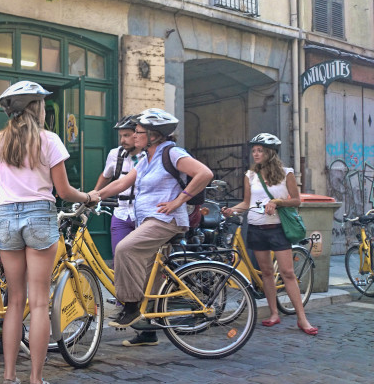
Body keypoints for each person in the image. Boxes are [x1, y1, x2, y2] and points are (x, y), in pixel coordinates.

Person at [0, 81, 100, 384]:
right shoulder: (49, 140)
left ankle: (8, 379)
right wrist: (88, 195)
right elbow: (63, 192)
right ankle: (36, 381)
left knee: (14, 302)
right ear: (37, 108)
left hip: (6, 216)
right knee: (38, 303)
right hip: (39, 215)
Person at [95, 108, 213, 329]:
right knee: (150, 275)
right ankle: (149, 325)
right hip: (149, 220)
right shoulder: (147, 159)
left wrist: (179, 201)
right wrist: (93, 195)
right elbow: (122, 183)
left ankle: (130, 306)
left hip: (165, 220)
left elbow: (205, 173)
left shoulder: (172, 153)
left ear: (154, 135)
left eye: (139, 132)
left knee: (125, 248)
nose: (134, 135)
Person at [221, 133, 318, 335]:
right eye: (254, 151)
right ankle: (274, 313)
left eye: (260, 150)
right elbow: (247, 203)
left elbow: (296, 200)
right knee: (266, 273)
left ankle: (302, 318)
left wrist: (277, 202)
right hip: (256, 228)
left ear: (270, 153)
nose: (256, 154)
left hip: (278, 229)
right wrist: (233, 210)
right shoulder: (250, 175)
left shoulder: (286, 173)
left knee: (288, 273)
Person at [93, 115, 156, 347]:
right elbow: (109, 176)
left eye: (128, 135)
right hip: (121, 213)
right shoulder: (115, 154)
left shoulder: (150, 156)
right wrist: (94, 193)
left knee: (144, 268)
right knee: (120, 259)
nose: (124, 140)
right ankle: (125, 304)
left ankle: (144, 322)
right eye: (121, 136)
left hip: (143, 214)